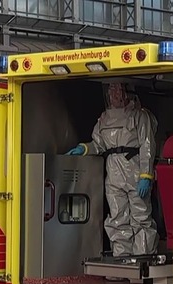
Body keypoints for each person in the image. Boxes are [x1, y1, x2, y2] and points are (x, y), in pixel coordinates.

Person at [65, 82, 159, 258]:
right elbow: (98, 144)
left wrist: (146, 175)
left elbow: (148, 146)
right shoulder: (104, 119)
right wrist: (84, 149)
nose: (114, 94)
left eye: (118, 89)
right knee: (118, 218)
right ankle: (122, 259)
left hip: (135, 171)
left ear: (127, 92)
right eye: (111, 90)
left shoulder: (139, 116)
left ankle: (143, 260)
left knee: (140, 218)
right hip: (114, 173)